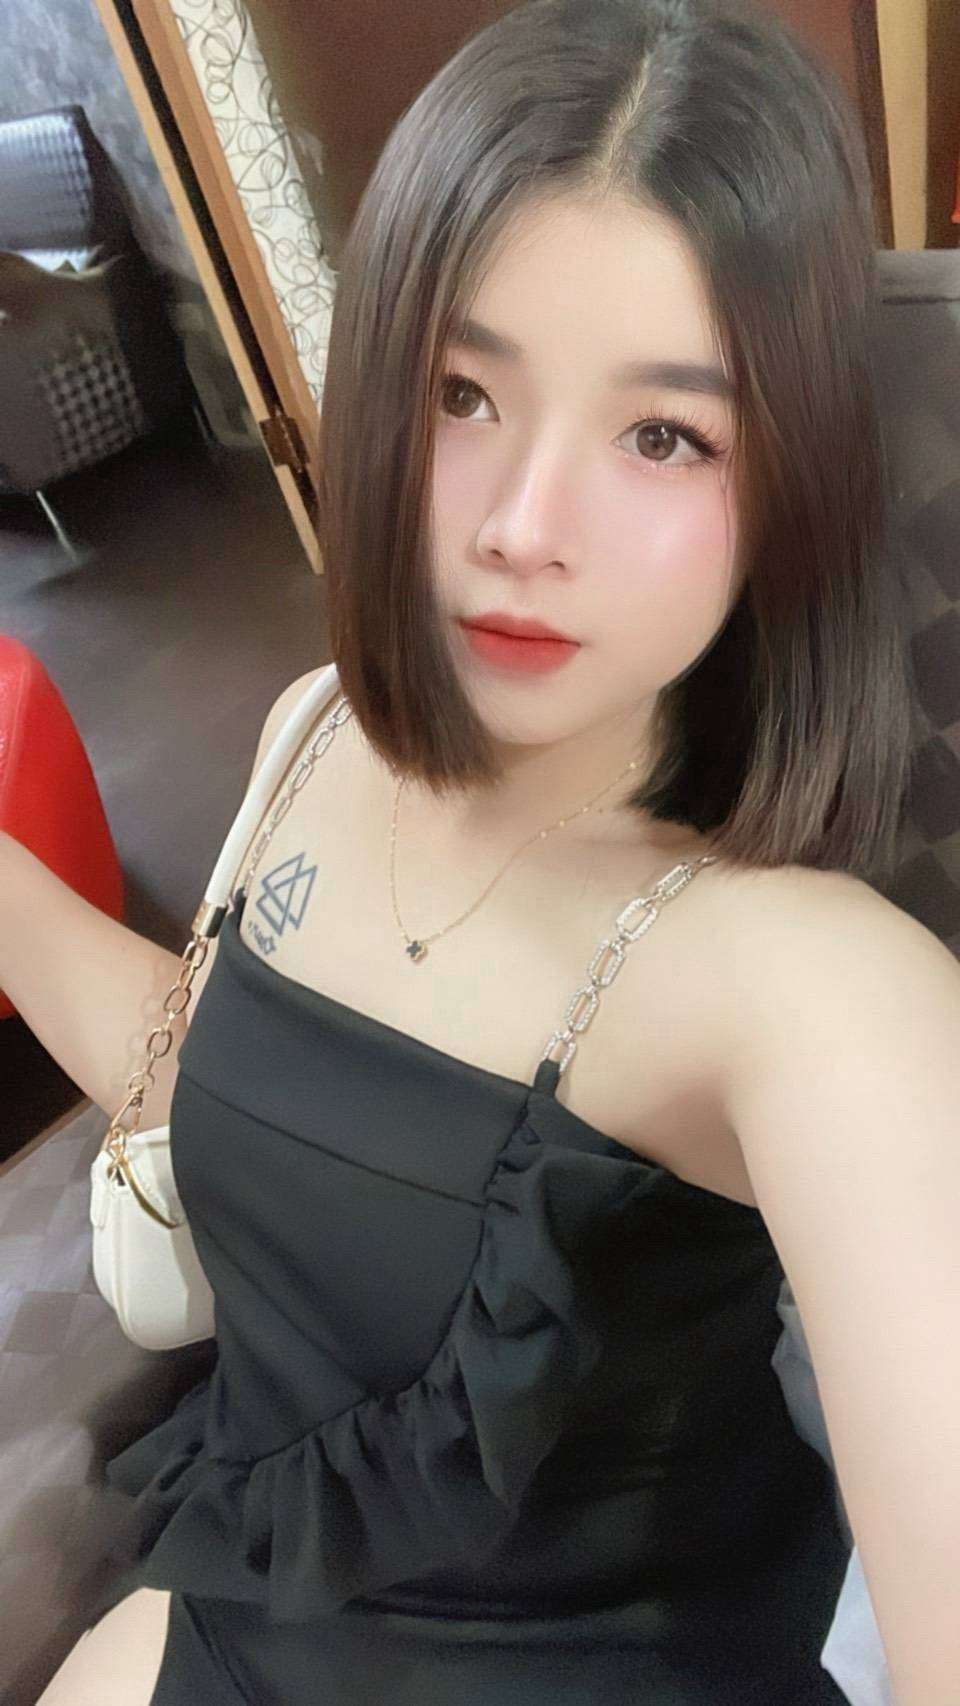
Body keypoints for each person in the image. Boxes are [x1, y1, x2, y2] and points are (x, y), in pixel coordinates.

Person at [21, 0, 960, 1700]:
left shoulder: (811, 987)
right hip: (228, 1613)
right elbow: (220, 1075)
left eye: (662, 434)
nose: (524, 526)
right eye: (464, 392)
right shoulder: (314, 731)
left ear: (789, 480)